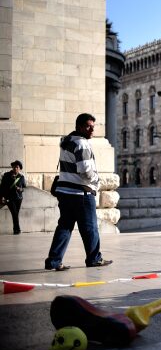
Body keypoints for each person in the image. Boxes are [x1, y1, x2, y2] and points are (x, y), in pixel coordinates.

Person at [44, 113, 112, 271]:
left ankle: (53, 261)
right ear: (79, 126)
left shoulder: (66, 141)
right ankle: (94, 258)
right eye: (88, 126)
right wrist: (97, 181)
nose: (92, 130)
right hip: (81, 193)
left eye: (93, 127)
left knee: (65, 226)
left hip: (64, 192)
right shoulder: (82, 144)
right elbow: (85, 171)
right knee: (90, 228)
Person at [0, 160, 27, 234]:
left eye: (17, 167)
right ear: (12, 167)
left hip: (18, 198)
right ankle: (17, 229)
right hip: (9, 198)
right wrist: (2, 196)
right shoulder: (6, 175)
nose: (15, 168)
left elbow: (24, 188)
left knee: (15, 214)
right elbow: (2, 187)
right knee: (14, 213)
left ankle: (15, 229)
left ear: (19, 168)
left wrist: (19, 189)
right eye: (14, 167)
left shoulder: (21, 177)